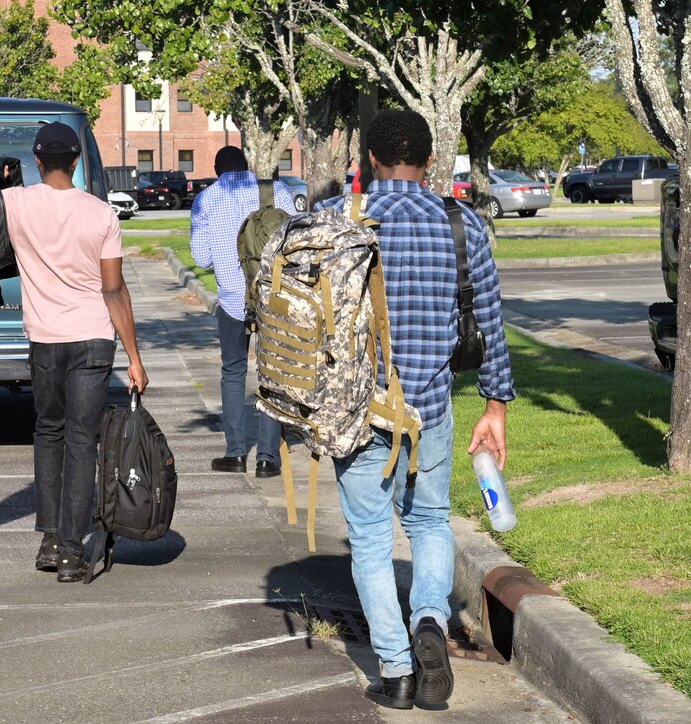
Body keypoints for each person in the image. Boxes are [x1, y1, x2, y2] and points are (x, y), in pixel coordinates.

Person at [334, 110, 515, 709]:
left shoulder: (338, 220)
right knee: (429, 522)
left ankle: (396, 670)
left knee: (368, 536)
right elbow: (489, 323)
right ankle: (430, 621)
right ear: (431, 160)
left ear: (369, 158)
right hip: (431, 406)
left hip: (357, 411)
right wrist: (496, 409)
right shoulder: (462, 225)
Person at [2, 122, 148, 583]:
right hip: (92, 339)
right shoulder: (101, 213)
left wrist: (4, 176)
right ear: (79, 162)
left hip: (44, 339)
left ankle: (49, 538)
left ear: (39, 160)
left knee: (49, 433)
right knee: (83, 440)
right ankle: (70, 551)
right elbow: (113, 289)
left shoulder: (16, 203)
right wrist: (135, 358)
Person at [190, 147, 296, 479]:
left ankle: (235, 453)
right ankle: (267, 458)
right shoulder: (276, 190)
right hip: (272, 298)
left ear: (217, 169)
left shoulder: (205, 200)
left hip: (233, 302)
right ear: (248, 166)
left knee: (233, 372)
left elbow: (202, 257)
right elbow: (295, 242)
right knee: (272, 372)